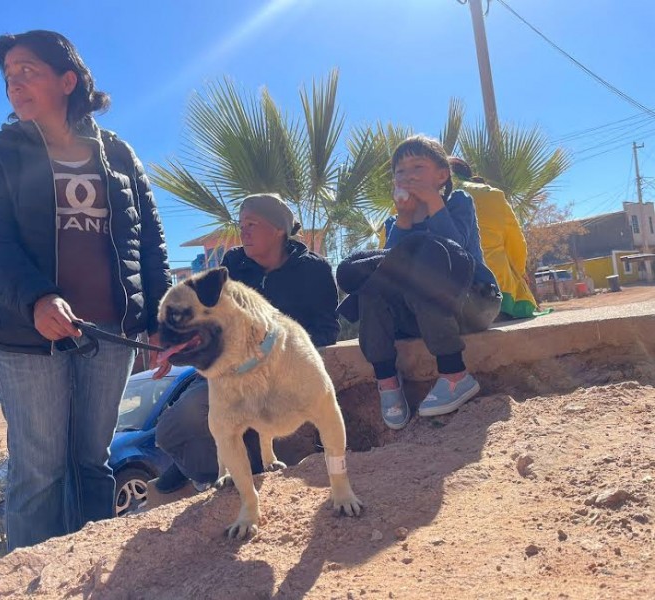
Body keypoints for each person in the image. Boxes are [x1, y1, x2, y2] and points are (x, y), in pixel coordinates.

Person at [0, 30, 170, 550]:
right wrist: (36, 297)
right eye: (8, 77)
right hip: (25, 336)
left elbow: (150, 245)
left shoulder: (121, 154)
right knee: (39, 471)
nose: (15, 84)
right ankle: (35, 579)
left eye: (27, 71)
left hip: (111, 334)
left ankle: (87, 574)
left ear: (68, 80)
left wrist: (164, 323)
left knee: (94, 462)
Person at [151, 193, 340, 500]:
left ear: (278, 229)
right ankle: (219, 473)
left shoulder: (313, 270)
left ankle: (246, 472)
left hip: (284, 373)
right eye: (241, 225)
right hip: (230, 372)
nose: (244, 232)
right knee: (170, 430)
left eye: (252, 224)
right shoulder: (232, 265)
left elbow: (326, 330)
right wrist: (175, 352)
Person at [336, 135, 501, 430]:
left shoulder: (458, 203)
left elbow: (456, 249)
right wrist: (405, 219)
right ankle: (387, 381)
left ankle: (455, 376)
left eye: (417, 167)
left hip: (472, 302)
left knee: (428, 253)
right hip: (420, 315)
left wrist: (433, 202)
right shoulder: (396, 221)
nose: (408, 175)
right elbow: (392, 267)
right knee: (367, 277)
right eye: (400, 171)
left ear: (441, 176)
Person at [448, 157, 537, 319]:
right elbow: (517, 245)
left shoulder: (415, 196)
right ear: (468, 173)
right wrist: (520, 273)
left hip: (438, 301)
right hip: (497, 293)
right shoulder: (493, 195)